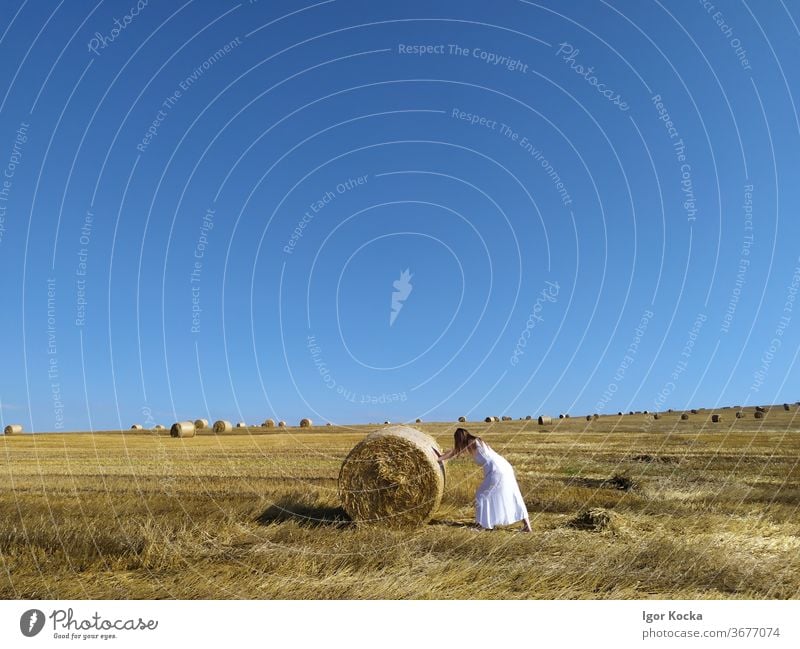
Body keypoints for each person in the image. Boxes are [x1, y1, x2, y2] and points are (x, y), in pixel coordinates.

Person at [436, 428, 531, 532]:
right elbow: (455, 451)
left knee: (481, 495)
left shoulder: (471, 442)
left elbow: (454, 452)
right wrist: (440, 457)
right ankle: (527, 526)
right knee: (513, 494)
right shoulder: (476, 441)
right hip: (504, 466)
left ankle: (482, 525)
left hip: (496, 470)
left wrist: (438, 459)